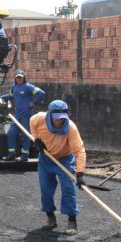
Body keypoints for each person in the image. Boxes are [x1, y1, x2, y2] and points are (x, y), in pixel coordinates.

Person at [30, 100, 86, 233]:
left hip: (64, 160)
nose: (58, 122)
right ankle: (51, 218)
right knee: (46, 190)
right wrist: (36, 139)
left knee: (68, 189)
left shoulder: (71, 128)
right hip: (46, 159)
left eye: (61, 119)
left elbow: (79, 150)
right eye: (56, 119)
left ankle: (72, 222)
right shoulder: (39, 119)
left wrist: (80, 173)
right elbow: (31, 122)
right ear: (50, 114)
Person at [0, 69, 45, 161]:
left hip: (26, 116)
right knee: (11, 134)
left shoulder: (28, 87)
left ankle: (24, 156)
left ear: (24, 78)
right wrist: (1, 97)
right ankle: (12, 154)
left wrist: (33, 101)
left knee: (26, 135)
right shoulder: (14, 87)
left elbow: (41, 93)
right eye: (17, 78)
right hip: (17, 116)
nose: (19, 79)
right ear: (15, 78)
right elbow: (11, 96)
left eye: (20, 77)